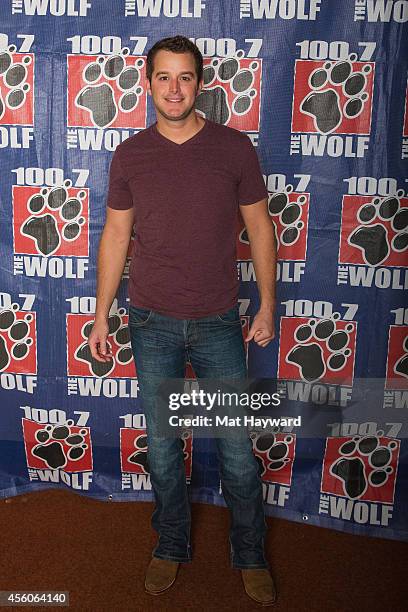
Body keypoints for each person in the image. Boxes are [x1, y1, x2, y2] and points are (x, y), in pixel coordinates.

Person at [88, 35, 277, 606]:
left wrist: (267, 303)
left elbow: (261, 229)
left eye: (185, 77)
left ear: (201, 83)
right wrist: (101, 315)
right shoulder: (131, 154)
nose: (175, 88)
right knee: (165, 448)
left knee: (239, 452)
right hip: (150, 323)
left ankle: (250, 553)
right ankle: (170, 543)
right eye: (164, 77)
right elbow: (116, 234)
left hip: (220, 321)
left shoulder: (234, 149)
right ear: (147, 84)